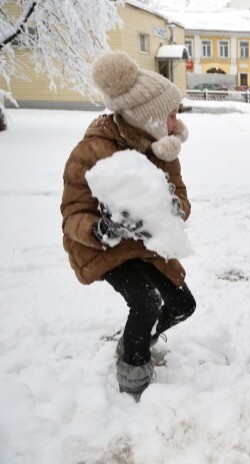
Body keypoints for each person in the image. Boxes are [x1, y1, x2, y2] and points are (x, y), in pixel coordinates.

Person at [60, 51, 195, 397]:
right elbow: (73, 215)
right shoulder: (93, 152)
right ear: (147, 118)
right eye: (169, 115)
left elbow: (183, 202)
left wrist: (169, 206)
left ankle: (136, 339)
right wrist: (102, 230)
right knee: (146, 301)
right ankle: (133, 375)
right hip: (101, 247)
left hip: (143, 244)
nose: (174, 123)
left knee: (182, 304)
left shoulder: (163, 150)